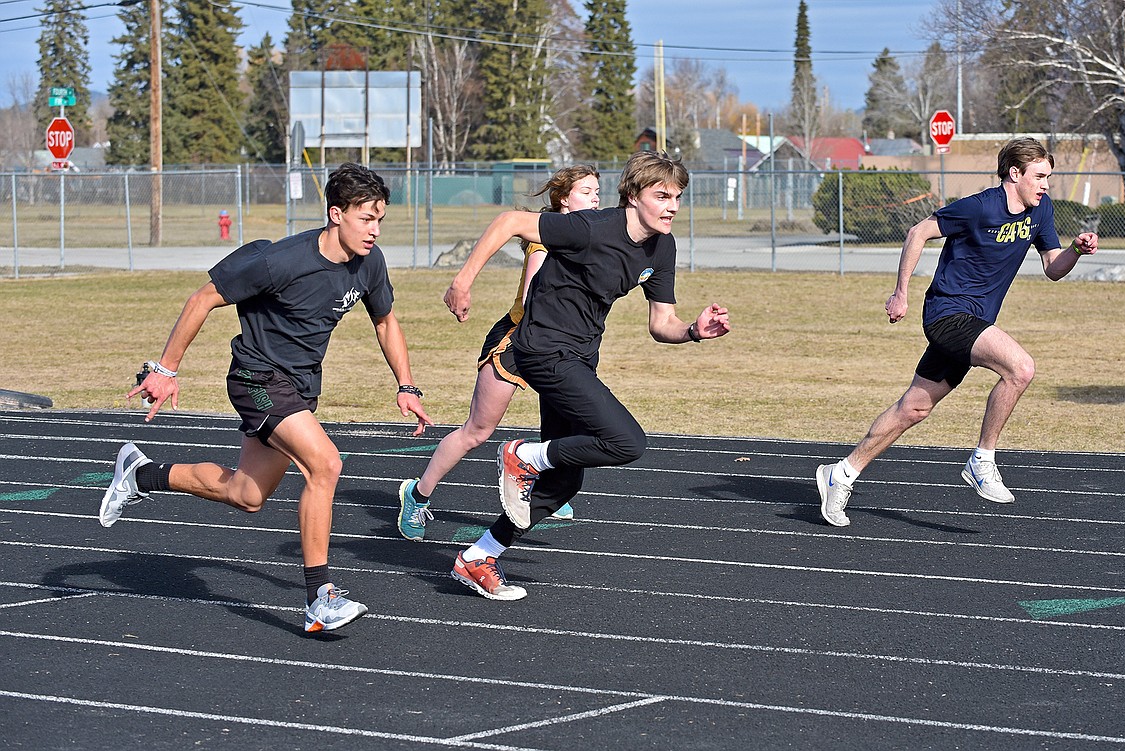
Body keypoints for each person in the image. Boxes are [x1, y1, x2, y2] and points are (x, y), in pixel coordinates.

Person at [99, 162, 433, 632]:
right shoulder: (281, 261)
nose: (374, 230)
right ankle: (321, 595)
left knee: (246, 494)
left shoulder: (369, 264)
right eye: (365, 218)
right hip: (256, 377)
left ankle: (141, 474)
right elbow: (203, 299)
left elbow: (385, 321)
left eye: (380, 219)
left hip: (299, 387)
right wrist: (165, 369)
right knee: (326, 464)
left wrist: (406, 384)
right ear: (336, 214)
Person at [442, 151, 731, 600]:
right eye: (661, 196)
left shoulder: (662, 246)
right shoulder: (590, 227)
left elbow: (661, 324)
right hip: (541, 349)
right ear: (633, 196)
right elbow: (508, 222)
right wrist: (463, 281)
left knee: (567, 478)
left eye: (677, 197)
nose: (672, 206)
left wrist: (694, 331)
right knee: (627, 441)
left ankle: (478, 556)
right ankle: (523, 456)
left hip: (580, 357)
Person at [815, 137, 1099, 527]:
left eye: (1048, 176)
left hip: (976, 322)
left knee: (913, 408)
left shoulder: (1040, 210)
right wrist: (901, 293)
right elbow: (917, 232)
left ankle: (841, 473)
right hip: (947, 314)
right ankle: (982, 460)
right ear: (1014, 174)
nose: (1046, 184)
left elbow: (1053, 267)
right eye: (1040, 176)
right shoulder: (979, 207)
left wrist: (1076, 251)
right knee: (1021, 369)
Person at [397, 165, 601, 541]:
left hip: (558, 344)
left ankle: (551, 490)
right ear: (563, 200)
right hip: (520, 338)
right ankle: (418, 494)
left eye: (597, 192)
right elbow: (530, 298)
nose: (596, 198)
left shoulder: (589, 235)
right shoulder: (548, 239)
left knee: (565, 422)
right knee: (477, 430)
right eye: (587, 191)